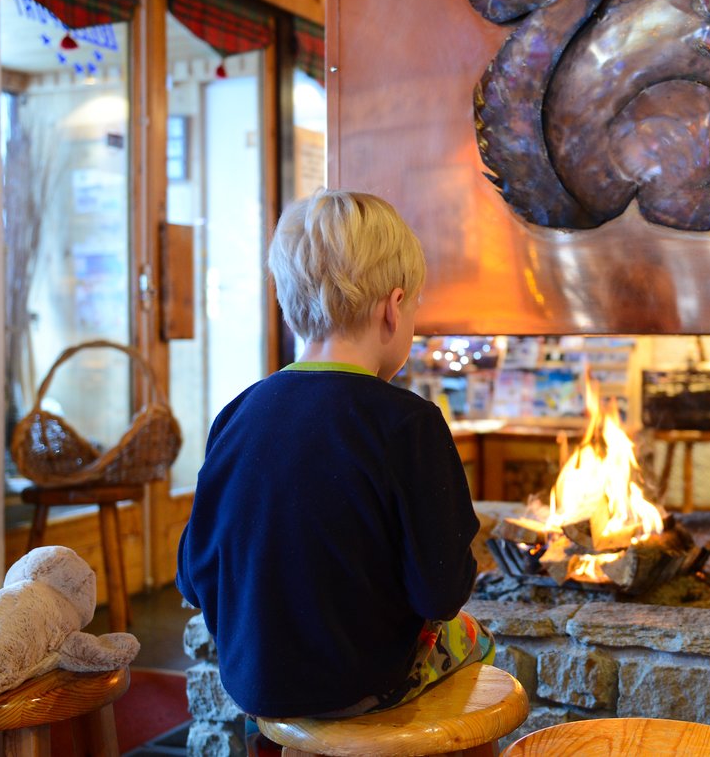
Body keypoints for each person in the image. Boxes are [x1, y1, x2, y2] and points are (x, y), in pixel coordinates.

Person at [177, 189, 492, 739]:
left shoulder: (238, 413)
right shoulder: (409, 424)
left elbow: (193, 577)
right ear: (393, 307)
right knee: (475, 639)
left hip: (253, 685)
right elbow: (440, 594)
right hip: (360, 686)